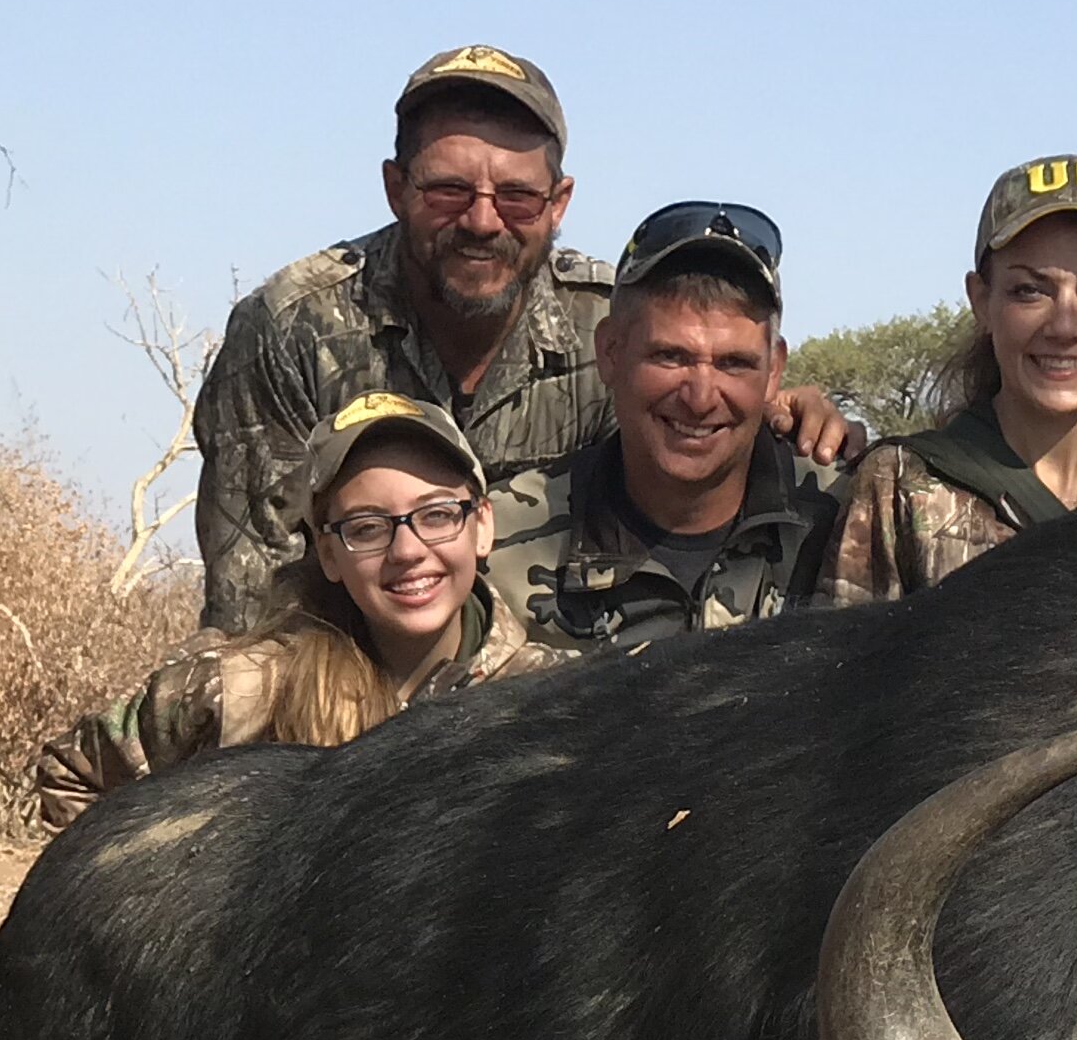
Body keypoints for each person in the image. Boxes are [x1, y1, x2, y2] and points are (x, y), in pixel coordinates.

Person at [187, 46, 847, 631]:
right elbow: (252, 603)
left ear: (558, 204)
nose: (482, 220)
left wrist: (783, 414)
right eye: (448, 191)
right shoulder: (292, 328)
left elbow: (687, 444)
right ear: (395, 189)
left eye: (517, 198)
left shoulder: (606, 316)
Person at [33, 390, 559, 830]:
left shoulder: (554, 702)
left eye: (438, 515)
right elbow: (75, 773)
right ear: (327, 552)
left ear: (483, 524)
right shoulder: (239, 689)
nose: (408, 551)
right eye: (367, 528)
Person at [812, 157, 1077, 604]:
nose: (1065, 326)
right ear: (981, 300)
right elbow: (846, 666)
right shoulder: (901, 485)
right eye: (1029, 291)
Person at [499, 204, 843, 650]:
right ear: (610, 352)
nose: (700, 398)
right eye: (670, 356)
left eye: (734, 363)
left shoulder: (850, 518)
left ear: (774, 371)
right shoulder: (500, 547)